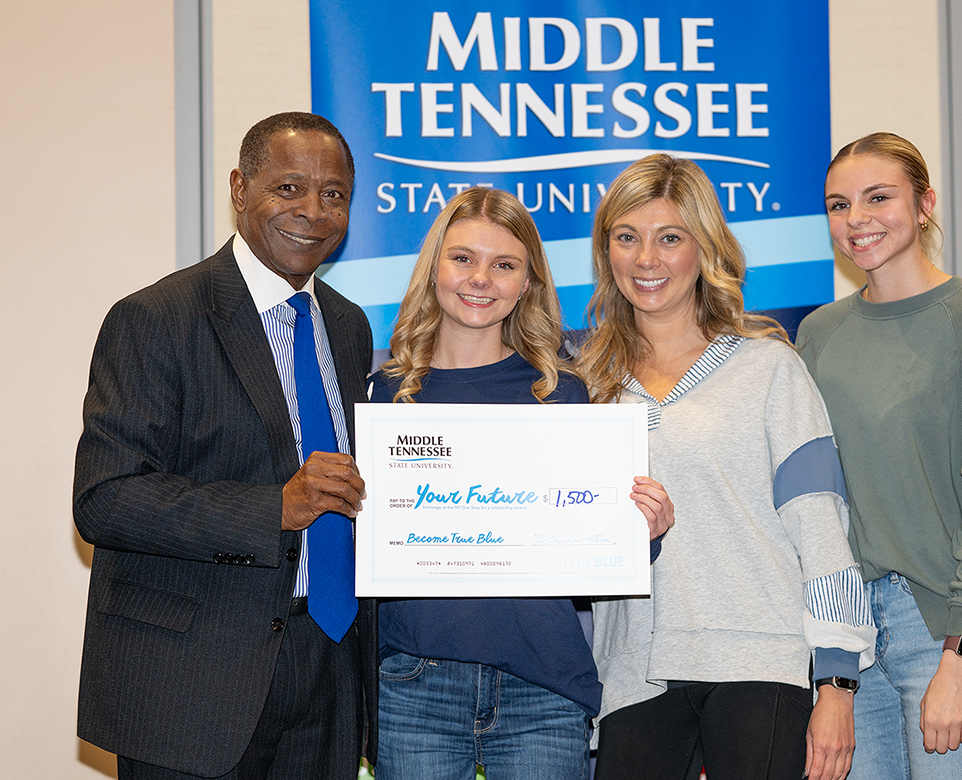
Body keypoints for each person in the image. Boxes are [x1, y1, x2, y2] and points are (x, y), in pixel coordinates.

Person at [74, 112, 377, 780]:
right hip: (192, 683)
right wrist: (274, 508)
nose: (313, 211)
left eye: (334, 195)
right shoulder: (155, 319)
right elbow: (105, 499)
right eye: (289, 188)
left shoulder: (350, 327)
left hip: (328, 664)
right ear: (241, 189)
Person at [577, 154, 876, 780]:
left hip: (759, 664)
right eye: (626, 238)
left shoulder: (770, 370)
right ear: (606, 253)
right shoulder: (586, 386)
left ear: (704, 248)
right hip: (633, 675)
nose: (647, 259)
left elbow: (821, 533)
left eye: (670, 238)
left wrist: (838, 683)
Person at [368, 186, 675, 780]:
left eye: (504, 265)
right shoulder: (387, 394)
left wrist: (645, 530)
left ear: (528, 282)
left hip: (543, 686)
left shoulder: (563, 391)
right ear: (433, 269)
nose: (480, 278)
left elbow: (593, 551)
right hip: (412, 684)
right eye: (462, 258)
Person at [795, 132, 962, 780]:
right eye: (838, 204)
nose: (856, 219)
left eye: (878, 197)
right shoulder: (820, 333)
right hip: (848, 639)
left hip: (942, 624)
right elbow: (813, 501)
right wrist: (831, 667)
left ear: (925, 204)